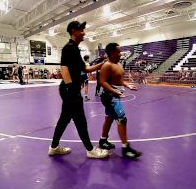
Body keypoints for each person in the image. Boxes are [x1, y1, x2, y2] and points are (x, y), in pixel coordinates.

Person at [48, 21, 109, 159]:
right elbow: (64, 68)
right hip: (70, 90)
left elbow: (85, 68)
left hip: (70, 89)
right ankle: (90, 150)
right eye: (82, 30)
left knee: (64, 119)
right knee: (80, 120)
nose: (84, 33)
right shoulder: (69, 48)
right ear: (74, 31)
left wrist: (102, 64)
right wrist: (72, 89)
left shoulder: (75, 49)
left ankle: (53, 147)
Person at [98, 42, 142, 159]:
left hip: (114, 95)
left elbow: (119, 79)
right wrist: (114, 91)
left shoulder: (118, 64)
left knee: (109, 118)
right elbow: (102, 81)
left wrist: (127, 85)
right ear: (112, 53)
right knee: (122, 118)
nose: (120, 54)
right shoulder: (107, 65)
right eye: (118, 52)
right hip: (110, 97)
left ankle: (103, 140)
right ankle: (126, 149)